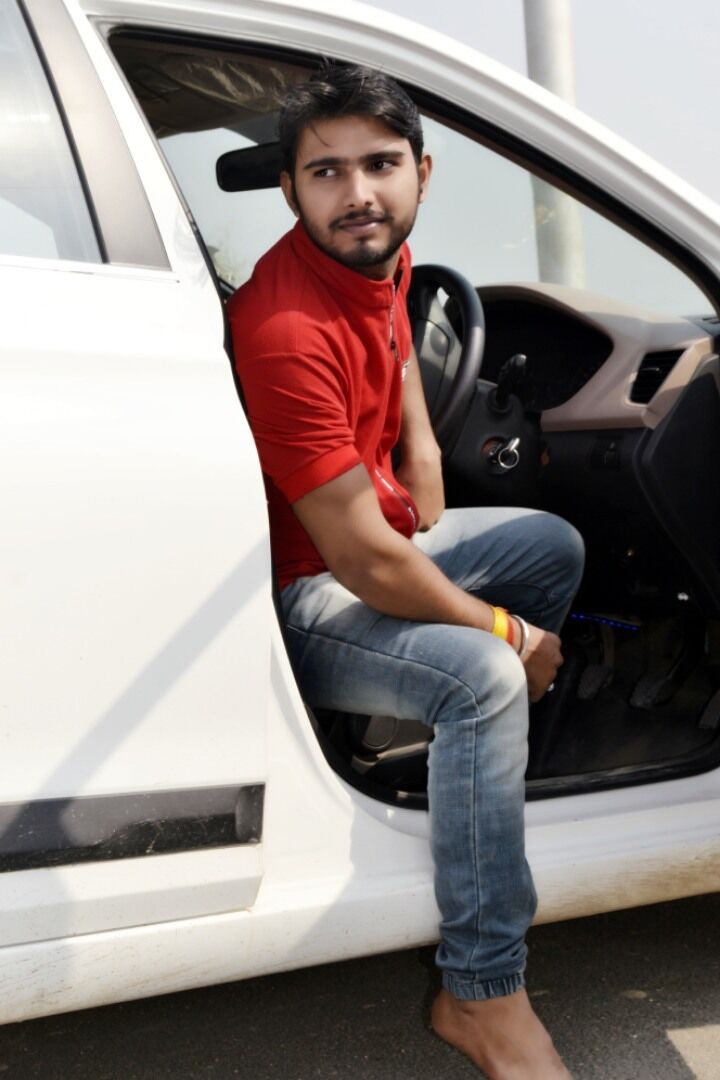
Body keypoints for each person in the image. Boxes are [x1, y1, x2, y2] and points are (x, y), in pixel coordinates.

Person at [228, 62, 583, 1079]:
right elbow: (360, 561)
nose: (358, 193)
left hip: (375, 543)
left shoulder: (376, 253)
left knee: (550, 544)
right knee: (483, 677)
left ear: (421, 173)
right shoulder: (283, 328)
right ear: (291, 191)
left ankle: (477, 794)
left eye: (380, 165)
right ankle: (483, 992)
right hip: (307, 594)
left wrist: (419, 445)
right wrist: (510, 634)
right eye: (326, 172)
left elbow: (391, 329)